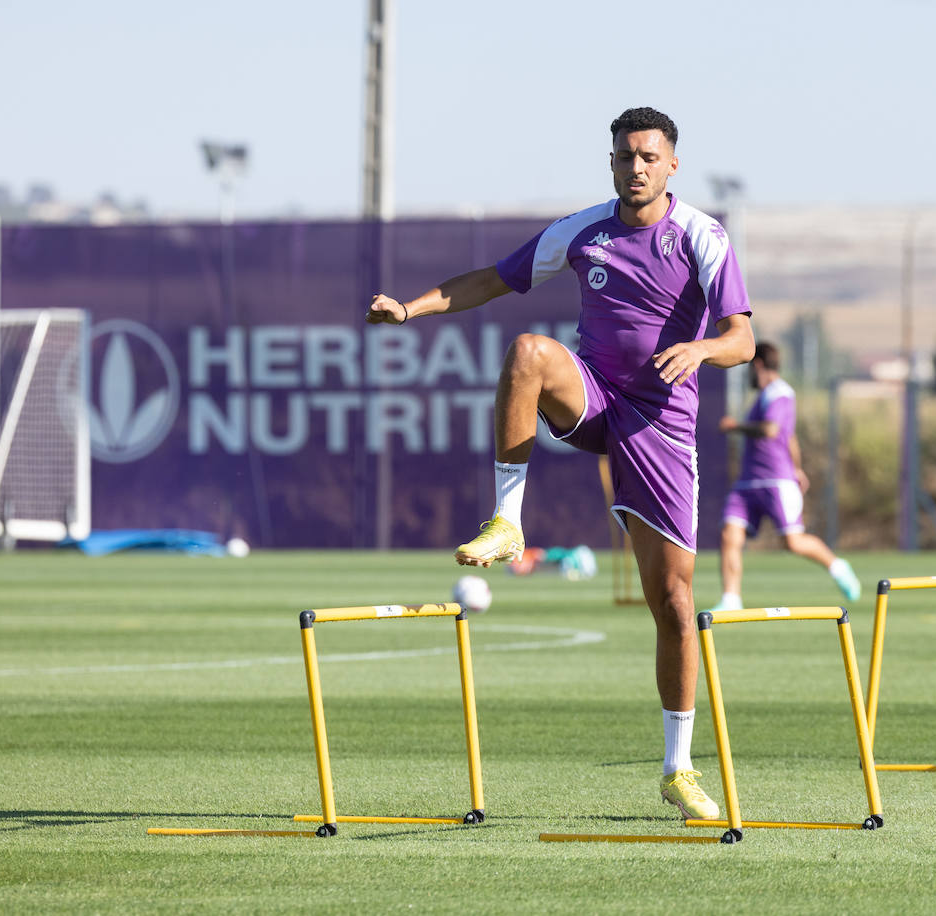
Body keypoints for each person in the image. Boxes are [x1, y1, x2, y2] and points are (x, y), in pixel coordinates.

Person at [365, 107, 754, 820]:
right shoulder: (585, 231)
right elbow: (491, 280)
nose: (634, 166)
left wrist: (700, 350)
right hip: (596, 400)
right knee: (527, 353)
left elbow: (742, 339)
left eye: (647, 156)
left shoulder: (702, 235)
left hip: (662, 426)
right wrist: (411, 310)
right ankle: (507, 522)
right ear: (610, 163)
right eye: (622, 156)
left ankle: (677, 767)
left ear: (671, 165)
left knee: (672, 603)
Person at [704, 342, 861, 612]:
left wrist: (735, 426)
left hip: (775, 479)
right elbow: (791, 438)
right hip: (747, 481)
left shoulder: (780, 393)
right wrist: (799, 467)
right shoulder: (763, 396)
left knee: (793, 542)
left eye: (749, 368)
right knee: (730, 535)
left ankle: (837, 566)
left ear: (759, 365)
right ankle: (731, 599)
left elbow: (771, 430)